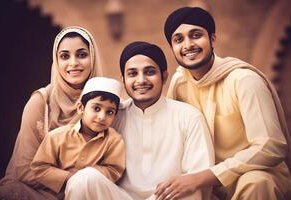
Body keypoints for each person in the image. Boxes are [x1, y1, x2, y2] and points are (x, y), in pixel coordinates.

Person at [158, 6, 291, 200]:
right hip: (206, 181)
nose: (188, 45)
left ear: (212, 39)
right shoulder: (179, 84)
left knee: (256, 182)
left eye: (196, 35)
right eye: (179, 39)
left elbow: (270, 146)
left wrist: (202, 178)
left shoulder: (244, 80)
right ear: (172, 48)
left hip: (254, 174)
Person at [66, 41, 214, 200]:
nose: (141, 80)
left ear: (164, 76)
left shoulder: (188, 116)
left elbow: (199, 178)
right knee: (84, 179)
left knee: (188, 191)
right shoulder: (113, 117)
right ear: (123, 80)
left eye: (149, 72)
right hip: (120, 197)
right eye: (132, 74)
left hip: (167, 198)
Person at [0, 26, 102, 200]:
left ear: (93, 58)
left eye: (82, 54)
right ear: (56, 61)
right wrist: (73, 179)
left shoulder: (105, 103)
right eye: (65, 56)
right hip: (35, 192)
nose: (73, 63)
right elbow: (25, 167)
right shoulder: (41, 102)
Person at [30, 77, 126, 199]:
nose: (102, 116)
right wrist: (68, 177)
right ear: (81, 108)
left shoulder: (114, 140)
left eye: (110, 112)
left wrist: (86, 177)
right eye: (96, 108)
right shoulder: (56, 136)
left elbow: (114, 170)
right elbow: (39, 167)